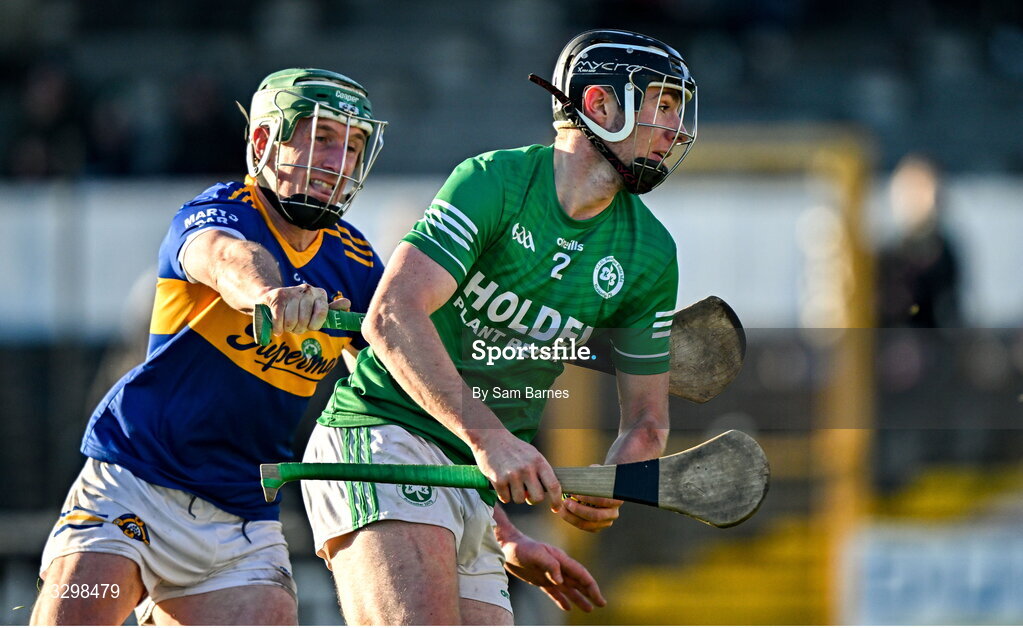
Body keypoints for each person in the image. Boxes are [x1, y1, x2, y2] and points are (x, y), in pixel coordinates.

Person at [302, 29, 698, 624]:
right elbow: (391, 315)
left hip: (476, 483)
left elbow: (648, 419)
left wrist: (612, 476)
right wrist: (490, 439)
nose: (675, 126)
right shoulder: (495, 182)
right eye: (661, 104)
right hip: (385, 435)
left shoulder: (651, 254)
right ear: (599, 105)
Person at [32, 68, 388, 625]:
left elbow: (398, 382)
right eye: (321, 138)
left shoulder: (358, 264)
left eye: (353, 144)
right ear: (266, 143)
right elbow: (226, 258)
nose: (338, 160)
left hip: (241, 522)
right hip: (134, 483)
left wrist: (492, 486)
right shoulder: (218, 211)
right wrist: (272, 294)